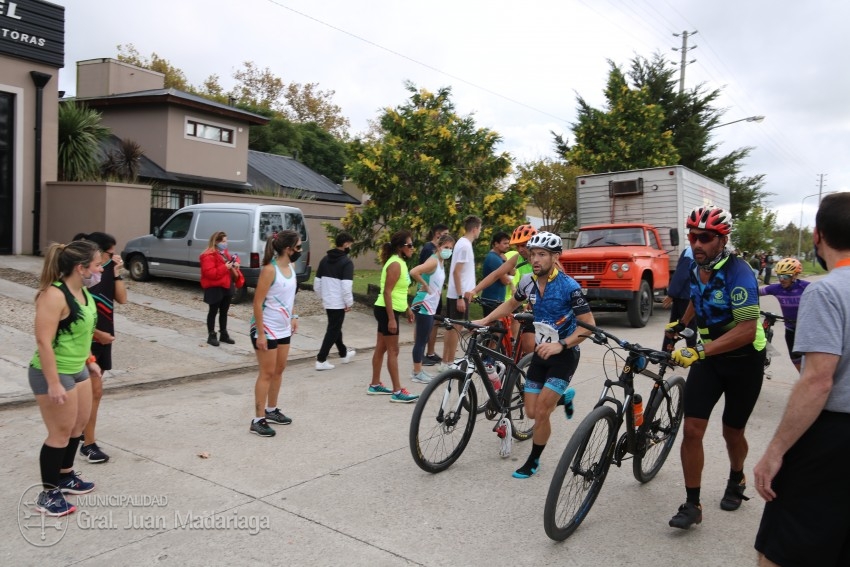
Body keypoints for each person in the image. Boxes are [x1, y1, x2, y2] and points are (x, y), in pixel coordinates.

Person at [753, 192, 850, 567]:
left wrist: (775, 451)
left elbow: (818, 381)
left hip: (834, 437)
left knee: (782, 547)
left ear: (817, 235)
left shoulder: (825, 290)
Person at [666, 206, 766, 530]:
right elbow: (698, 296)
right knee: (692, 429)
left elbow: (747, 329)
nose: (697, 243)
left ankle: (737, 477)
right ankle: (692, 503)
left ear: (721, 240)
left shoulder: (740, 273)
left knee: (731, 432)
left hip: (743, 361)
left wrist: (699, 351)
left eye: (705, 237)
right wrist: (681, 325)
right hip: (710, 360)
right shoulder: (697, 269)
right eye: (693, 236)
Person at [476, 232, 594, 479]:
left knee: (541, 412)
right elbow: (511, 305)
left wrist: (562, 344)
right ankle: (562, 398)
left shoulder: (569, 288)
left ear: (555, 257)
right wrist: (485, 320)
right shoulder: (527, 281)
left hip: (564, 355)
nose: (535, 259)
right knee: (530, 412)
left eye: (542, 255)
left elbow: (587, 327)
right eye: (533, 254)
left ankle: (533, 460)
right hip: (541, 354)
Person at [29, 240, 103, 516]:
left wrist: (90, 361)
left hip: (77, 368)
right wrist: (53, 382)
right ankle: (48, 495)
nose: (101, 270)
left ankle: (66, 476)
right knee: (59, 434)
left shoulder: (84, 293)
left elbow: (80, 334)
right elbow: (43, 341)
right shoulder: (53, 295)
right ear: (80, 267)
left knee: (78, 427)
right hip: (52, 372)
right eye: (97, 265)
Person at [73, 232, 127, 464]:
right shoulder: (82, 280)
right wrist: (97, 334)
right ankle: (88, 444)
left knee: (93, 394)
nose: (113, 257)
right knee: (93, 393)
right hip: (88, 342)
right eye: (110, 254)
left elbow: (122, 299)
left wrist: (117, 273)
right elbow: (72, 316)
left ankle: (83, 434)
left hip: (104, 339)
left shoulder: (104, 274)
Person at [248, 230, 300, 437]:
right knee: (267, 373)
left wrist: (294, 315)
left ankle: (271, 410)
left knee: (279, 369)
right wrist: (260, 333)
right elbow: (257, 303)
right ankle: (257, 420)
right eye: (298, 247)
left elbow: (291, 296)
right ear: (288, 249)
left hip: (283, 327)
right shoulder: (270, 270)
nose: (300, 250)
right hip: (266, 328)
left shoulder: (292, 267)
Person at [468, 223, 538, 357]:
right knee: (520, 346)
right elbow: (496, 274)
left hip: (547, 311)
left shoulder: (545, 261)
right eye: (517, 246)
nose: (520, 249)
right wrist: (474, 290)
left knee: (531, 350)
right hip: (521, 301)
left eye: (523, 245)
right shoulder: (518, 258)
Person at [368, 230, 418, 403]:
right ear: (400, 247)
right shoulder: (395, 264)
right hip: (386, 310)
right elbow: (387, 292)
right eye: (409, 245)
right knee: (393, 350)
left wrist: (408, 309)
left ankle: (375, 384)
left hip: (389, 309)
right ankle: (397, 391)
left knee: (381, 348)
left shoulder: (400, 262)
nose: (413, 248)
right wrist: (391, 318)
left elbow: (399, 292)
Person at [409, 233, 455, 384]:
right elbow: (414, 271)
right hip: (424, 304)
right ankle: (417, 372)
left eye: (450, 248)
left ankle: (418, 370)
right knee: (421, 340)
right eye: (445, 247)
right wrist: (425, 284)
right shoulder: (433, 262)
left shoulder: (440, 262)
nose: (448, 250)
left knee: (423, 338)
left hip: (430, 305)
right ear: (438, 247)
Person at [441, 215, 482, 369]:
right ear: (475, 229)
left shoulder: (462, 243)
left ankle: (445, 361)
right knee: (455, 329)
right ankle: (449, 362)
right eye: (480, 228)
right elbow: (457, 273)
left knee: (452, 327)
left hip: (459, 293)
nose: (480, 232)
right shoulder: (464, 245)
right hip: (460, 294)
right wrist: (459, 297)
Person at [758, 257, 810, 372]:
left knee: (812, 361)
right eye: (779, 276)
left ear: (795, 275)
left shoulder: (806, 287)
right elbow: (754, 292)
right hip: (790, 330)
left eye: (785, 276)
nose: (781, 279)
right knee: (795, 359)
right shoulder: (776, 288)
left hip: (806, 330)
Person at [314, 232, 356, 371]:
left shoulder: (324, 260)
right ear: (345, 244)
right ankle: (321, 359)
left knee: (335, 327)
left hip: (328, 300)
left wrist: (323, 296)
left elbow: (317, 284)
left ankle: (344, 354)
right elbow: (346, 286)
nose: (351, 247)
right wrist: (348, 303)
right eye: (350, 244)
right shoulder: (347, 262)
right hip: (338, 302)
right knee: (333, 329)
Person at [200, 231, 242, 347]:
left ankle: (223, 333)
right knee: (213, 311)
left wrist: (236, 263)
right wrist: (225, 267)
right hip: (214, 287)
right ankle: (211, 335)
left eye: (226, 241)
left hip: (226, 284)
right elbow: (210, 273)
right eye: (223, 241)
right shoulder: (207, 255)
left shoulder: (223, 252)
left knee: (224, 311)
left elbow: (232, 259)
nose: (225, 243)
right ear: (216, 241)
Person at [419, 223, 449, 366]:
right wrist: (425, 286)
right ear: (437, 233)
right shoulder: (428, 249)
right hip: (428, 295)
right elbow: (422, 271)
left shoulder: (442, 254)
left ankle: (430, 352)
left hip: (436, 294)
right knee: (424, 324)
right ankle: (421, 353)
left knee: (435, 323)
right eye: (444, 234)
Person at [661, 246, 697, 352]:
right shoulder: (691, 251)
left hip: (682, 295)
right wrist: (672, 293)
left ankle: (665, 354)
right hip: (687, 296)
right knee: (689, 327)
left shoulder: (690, 250)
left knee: (673, 326)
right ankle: (692, 354)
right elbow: (682, 274)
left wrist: (673, 293)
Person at [479, 231, 512, 317]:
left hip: (496, 300)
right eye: (505, 243)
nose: (508, 246)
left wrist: (506, 261)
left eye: (508, 243)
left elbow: (513, 272)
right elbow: (506, 281)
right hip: (491, 300)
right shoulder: (494, 259)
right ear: (496, 244)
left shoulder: (500, 257)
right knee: (492, 327)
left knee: (494, 327)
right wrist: (507, 274)